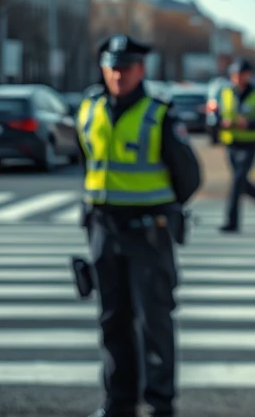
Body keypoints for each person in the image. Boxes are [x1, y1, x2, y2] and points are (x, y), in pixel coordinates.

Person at [76, 34, 202, 417]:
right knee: (112, 320)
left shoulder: (158, 113)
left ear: (140, 70)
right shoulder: (89, 109)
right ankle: (118, 401)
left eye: (126, 68)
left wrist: (162, 208)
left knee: (154, 322)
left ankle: (160, 404)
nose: (118, 75)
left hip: (149, 231)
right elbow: (89, 163)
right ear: (103, 68)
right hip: (104, 229)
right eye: (112, 67)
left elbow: (189, 177)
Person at [218, 59, 255, 233]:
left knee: (237, 181)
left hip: (250, 142)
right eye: (234, 75)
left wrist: (249, 124)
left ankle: (232, 221)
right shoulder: (225, 92)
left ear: (248, 75)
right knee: (240, 181)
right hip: (231, 142)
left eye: (241, 75)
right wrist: (220, 122)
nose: (237, 79)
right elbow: (216, 115)